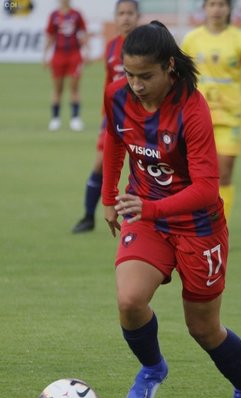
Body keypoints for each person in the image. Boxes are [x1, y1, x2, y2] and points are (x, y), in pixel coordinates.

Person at [101, 21, 241, 398]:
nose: (136, 85)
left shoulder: (192, 110)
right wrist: (109, 199)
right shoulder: (117, 97)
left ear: (170, 67)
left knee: (204, 329)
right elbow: (114, 140)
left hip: (198, 227)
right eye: (129, 75)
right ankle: (153, 368)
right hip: (146, 219)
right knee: (129, 301)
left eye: (146, 76)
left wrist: (149, 208)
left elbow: (208, 189)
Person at [181, 0, 241, 222]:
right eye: (212, 4)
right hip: (199, 114)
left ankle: (220, 224)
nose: (216, 9)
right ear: (204, 8)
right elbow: (180, 76)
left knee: (225, 171)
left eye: (221, 4)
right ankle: (195, 221)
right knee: (195, 173)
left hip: (231, 114)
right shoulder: (191, 40)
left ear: (229, 9)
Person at [71, 0, 140, 234]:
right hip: (115, 117)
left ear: (138, 16)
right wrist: (105, 114)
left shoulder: (145, 46)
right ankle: (88, 215)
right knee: (101, 164)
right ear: (116, 17)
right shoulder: (111, 47)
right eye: (121, 13)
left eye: (130, 13)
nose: (126, 18)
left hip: (143, 117)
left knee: (142, 166)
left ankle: (141, 218)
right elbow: (109, 82)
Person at [43, 0, 88, 132]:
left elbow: (83, 33)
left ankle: (75, 118)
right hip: (58, 55)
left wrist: (87, 51)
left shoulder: (77, 15)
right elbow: (50, 36)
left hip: (74, 54)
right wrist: (45, 55)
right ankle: (55, 119)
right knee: (58, 88)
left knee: (74, 87)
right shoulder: (54, 15)